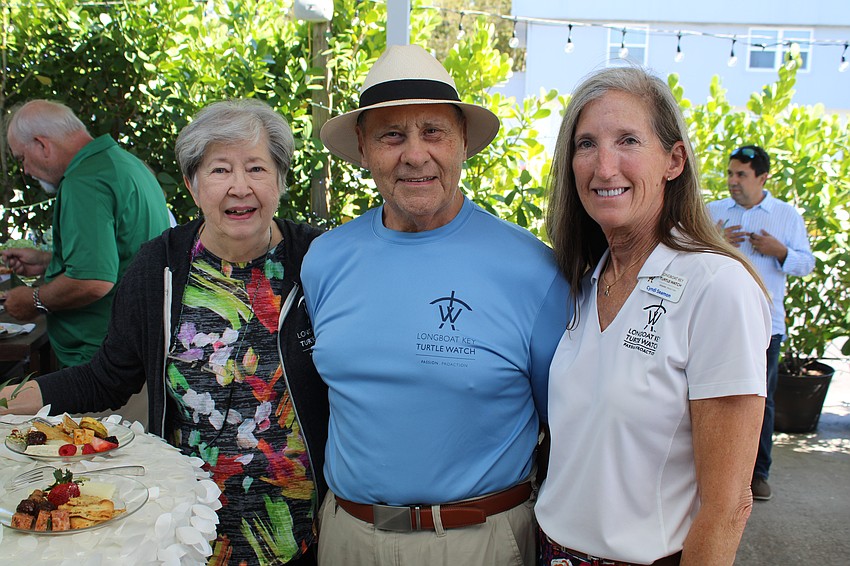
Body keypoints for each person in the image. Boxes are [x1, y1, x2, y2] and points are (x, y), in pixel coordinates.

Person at [0, 99, 328, 565]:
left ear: (279, 181)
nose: (240, 186)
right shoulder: (160, 265)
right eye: (219, 170)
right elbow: (106, 376)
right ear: (194, 185)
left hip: (296, 528)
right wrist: (7, 400)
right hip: (186, 524)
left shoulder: (318, 261)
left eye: (257, 168)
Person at [301, 44, 570, 566]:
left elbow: (563, 424)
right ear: (363, 147)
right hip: (348, 539)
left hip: (480, 542)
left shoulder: (534, 272)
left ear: (463, 142)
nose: (414, 154)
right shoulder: (326, 260)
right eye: (391, 135)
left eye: (433, 132)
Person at [535, 67, 771, 566]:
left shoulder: (716, 286)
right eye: (585, 144)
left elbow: (728, 506)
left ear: (673, 160)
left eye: (627, 141)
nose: (604, 166)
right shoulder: (581, 281)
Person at [2, 100, 171, 367]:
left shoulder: (84, 181)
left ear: (42, 145)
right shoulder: (123, 162)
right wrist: (48, 261)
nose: (25, 170)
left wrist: (34, 300)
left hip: (101, 360)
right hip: (138, 346)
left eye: (23, 158)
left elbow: (92, 281)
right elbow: (119, 253)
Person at [707, 144, 814, 501]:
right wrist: (715, 242)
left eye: (741, 175)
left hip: (765, 325)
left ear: (763, 177)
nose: (733, 181)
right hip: (715, 323)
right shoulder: (712, 213)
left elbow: (806, 264)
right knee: (708, 394)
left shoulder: (786, 216)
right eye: (729, 173)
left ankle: (757, 474)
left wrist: (780, 252)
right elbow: (683, 251)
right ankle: (706, 468)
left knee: (759, 401)